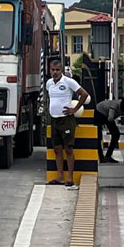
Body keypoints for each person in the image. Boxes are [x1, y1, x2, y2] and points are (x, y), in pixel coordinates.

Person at [46, 59, 90, 187]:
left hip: (66, 119)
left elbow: (84, 94)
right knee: (57, 149)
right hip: (54, 119)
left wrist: (74, 109)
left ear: (62, 70)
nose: (55, 72)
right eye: (53, 70)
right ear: (49, 70)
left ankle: (69, 177)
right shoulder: (49, 83)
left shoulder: (68, 81)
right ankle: (60, 176)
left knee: (68, 148)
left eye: (57, 70)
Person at [95, 97, 124, 163]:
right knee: (98, 136)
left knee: (116, 134)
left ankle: (108, 156)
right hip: (99, 112)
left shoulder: (123, 105)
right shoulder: (114, 105)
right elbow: (110, 118)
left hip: (107, 115)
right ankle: (101, 157)